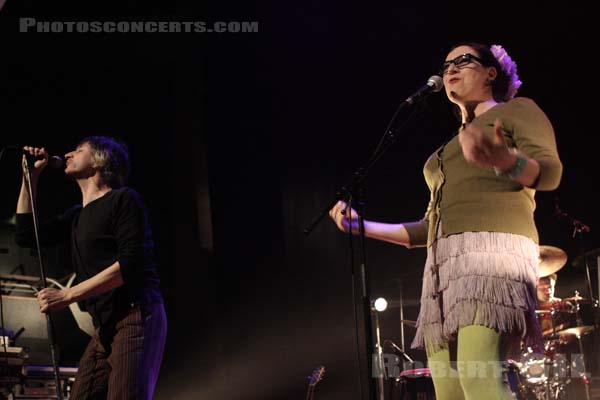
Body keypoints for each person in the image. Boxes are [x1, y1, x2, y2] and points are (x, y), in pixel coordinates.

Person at [329, 43, 562, 399]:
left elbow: (549, 172)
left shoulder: (517, 111)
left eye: (463, 60)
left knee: (479, 378)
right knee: (449, 390)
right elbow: (426, 228)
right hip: (442, 268)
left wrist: (506, 159)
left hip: (493, 254)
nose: (450, 69)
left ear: (491, 72)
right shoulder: (450, 147)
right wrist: (361, 227)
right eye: (446, 63)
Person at [15, 137, 166, 399]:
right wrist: (30, 178)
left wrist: (66, 295)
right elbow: (27, 235)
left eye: (78, 150)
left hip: (135, 316)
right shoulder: (76, 216)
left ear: (99, 161)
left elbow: (131, 264)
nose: (68, 153)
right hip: (104, 326)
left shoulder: (124, 200)